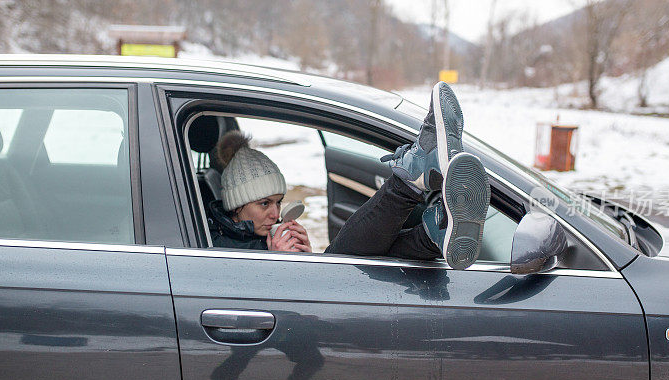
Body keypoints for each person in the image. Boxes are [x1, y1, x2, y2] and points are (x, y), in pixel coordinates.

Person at [209, 82, 490, 270]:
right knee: (341, 260)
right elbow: (245, 295)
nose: (276, 213)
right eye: (264, 204)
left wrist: (308, 259)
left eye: (278, 202)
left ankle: (428, 235)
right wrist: (280, 264)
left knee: (348, 261)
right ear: (237, 206)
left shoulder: (255, 236)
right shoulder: (216, 247)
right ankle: (412, 186)